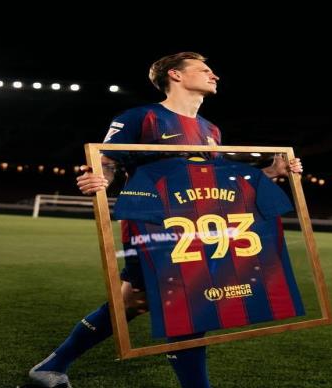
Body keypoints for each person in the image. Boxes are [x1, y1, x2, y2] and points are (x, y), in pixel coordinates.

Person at [28, 52, 303, 388]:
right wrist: (98, 178)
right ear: (175, 74)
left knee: (145, 302)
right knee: (181, 302)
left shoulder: (211, 129)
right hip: (152, 224)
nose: (214, 75)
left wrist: (271, 172)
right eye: (204, 69)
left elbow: (212, 181)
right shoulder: (141, 117)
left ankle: (52, 366)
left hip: (196, 226)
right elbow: (106, 162)